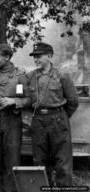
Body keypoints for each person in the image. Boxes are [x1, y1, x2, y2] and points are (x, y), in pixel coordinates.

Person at [27, 42, 78, 186]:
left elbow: (73, 100)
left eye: (39, 56)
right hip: (38, 120)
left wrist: (62, 116)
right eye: (34, 57)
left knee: (63, 161)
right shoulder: (30, 77)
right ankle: (43, 187)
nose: (36, 60)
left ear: (49, 56)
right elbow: (27, 98)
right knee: (40, 160)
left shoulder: (62, 75)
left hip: (58, 119)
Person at [0, 43, 30, 192]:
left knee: (12, 157)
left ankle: (11, 189)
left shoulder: (20, 75)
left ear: (7, 57)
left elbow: (30, 99)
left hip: (12, 119)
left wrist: (14, 101)